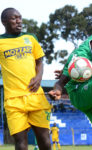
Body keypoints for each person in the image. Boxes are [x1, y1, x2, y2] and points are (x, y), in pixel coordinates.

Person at [0, 8, 52, 150]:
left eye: (20, 18)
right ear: (4, 21)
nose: (19, 21)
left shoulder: (30, 38)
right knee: (20, 143)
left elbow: (40, 61)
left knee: (44, 139)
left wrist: (39, 77)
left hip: (35, 95)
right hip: (13, 100)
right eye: (14, 18)